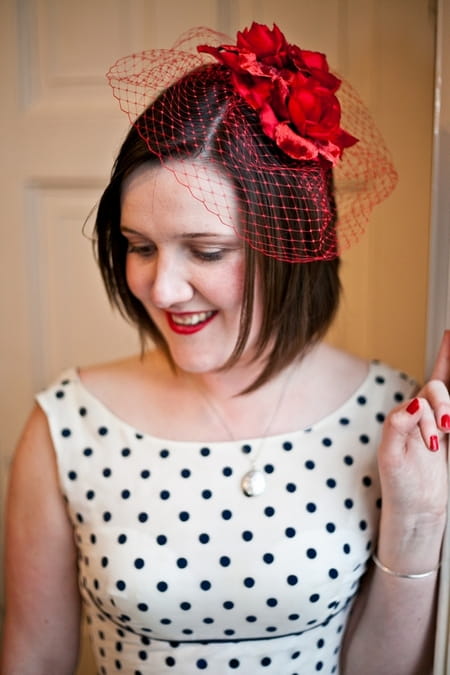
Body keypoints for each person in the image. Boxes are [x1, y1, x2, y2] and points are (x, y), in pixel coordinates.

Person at [1, 22, 449, 675]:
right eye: (140, 246)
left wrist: (420, 513)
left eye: (206, 250)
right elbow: (34, 658)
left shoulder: (390, 419)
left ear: (290, 246)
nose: (163, 287)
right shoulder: (67, 426)